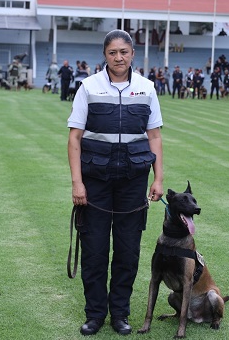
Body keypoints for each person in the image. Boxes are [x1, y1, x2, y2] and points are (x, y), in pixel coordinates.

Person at [67, 29, 164, 336]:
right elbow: (74, 138)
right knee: (95, 251)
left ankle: (120, 314)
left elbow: (155, 137)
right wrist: (77, 183)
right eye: (113, 53)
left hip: (133, 182)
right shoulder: (88, 86)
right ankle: (95, 315)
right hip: (95, 182)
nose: (118, 57)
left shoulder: (147, 88)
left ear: (132, 54)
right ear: (104, 55)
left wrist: (158, 177)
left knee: (127, 251)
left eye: (124, 52)